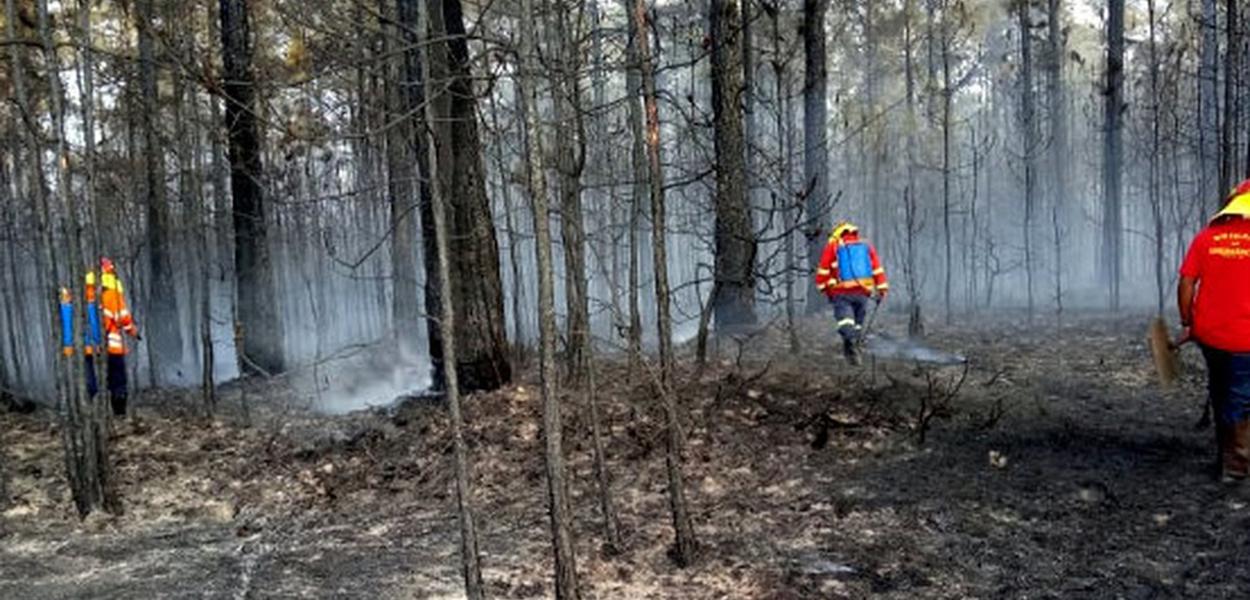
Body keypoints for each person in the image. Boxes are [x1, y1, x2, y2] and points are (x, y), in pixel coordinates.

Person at [1179, 179, 1250, 482]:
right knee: (1240, 397)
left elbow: (1186, 283)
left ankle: (1225, 456)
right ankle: (1235, 466)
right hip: (1244, 338)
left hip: (1209, 335)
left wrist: (1187, 323)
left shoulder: (1206, 238)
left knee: (1221, 391)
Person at [814, 221, 889, 364]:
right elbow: (877, 269)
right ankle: (853, 351)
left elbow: (823, 270)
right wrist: (882, 289)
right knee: (857, 323)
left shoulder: (834, 246)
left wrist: (823, 288)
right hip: (863, 292)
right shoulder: (866, 246)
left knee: (845, 321)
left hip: (841, 292)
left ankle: (851, 346)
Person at [98, 258, 140, 417]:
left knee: (103, 380)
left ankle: (102, 411)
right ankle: (119, 413)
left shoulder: (92, 296)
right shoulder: (113, 294)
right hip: (113, 347)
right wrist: (133, 331)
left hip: (93, 347)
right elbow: (123, 318)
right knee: (119, 380)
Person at [58, 272, 103, 399]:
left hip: (72, 345)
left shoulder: (67, 304)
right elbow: (94, 324)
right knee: (90, 372)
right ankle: (91, 395)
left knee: (81, 373)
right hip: (88, 344)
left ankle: (83, 396)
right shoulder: (89, 303)